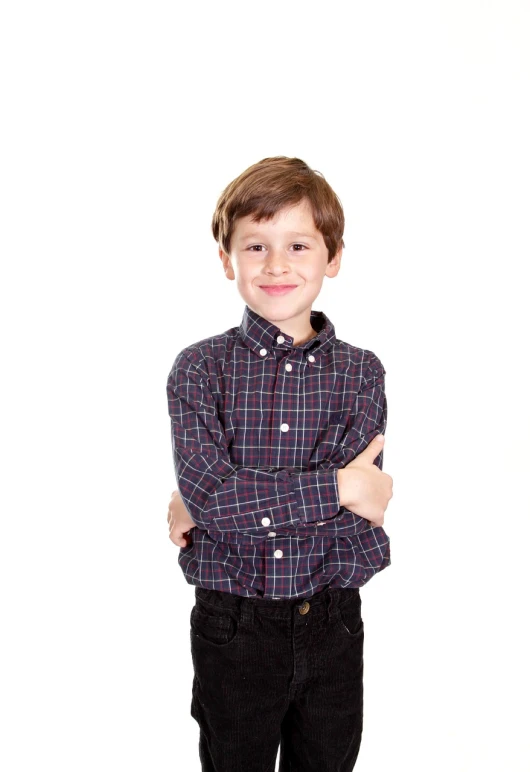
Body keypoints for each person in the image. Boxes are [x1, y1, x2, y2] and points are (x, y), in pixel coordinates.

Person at [165, 156, 393, 772]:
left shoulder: (360, 372)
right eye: (255, 245)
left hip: (332, 619)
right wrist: (339, 486)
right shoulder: (199, 369)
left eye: (298, 244)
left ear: (333, 257)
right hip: (233, 624)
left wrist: (223, 503)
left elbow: (359, 516)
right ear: (226, 259)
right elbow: (218, 497)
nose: (277, 264)